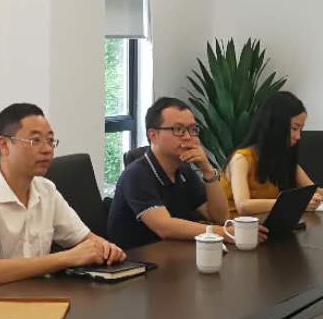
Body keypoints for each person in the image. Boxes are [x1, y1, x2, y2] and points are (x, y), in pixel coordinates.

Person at [0, 103, 126, 298]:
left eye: (50, 140)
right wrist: (69, 257)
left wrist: (107, 249)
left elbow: (86, 240)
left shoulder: (46, 190)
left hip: (30, 297)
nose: (47, 149)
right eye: (35, 141)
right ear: (4, 145)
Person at [107, 97, 257, 250]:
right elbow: (165, 227)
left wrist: (207, 170)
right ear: (153, 135)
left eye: (192, 129)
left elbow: (219, 217)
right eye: (178, 129)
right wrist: (225, 233)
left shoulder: (184, 170)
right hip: (136, 259)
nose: (188, 137)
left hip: (174, 254)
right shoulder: (136, 175)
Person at [222, 91, 323, 216]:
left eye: (300, 130)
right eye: (294, 128)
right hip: (235, 226)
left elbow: (312, 191)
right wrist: (294, 203)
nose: (298, 136)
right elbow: (242, 205)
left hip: (267, 223)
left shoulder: (283, 157)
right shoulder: (241, 159)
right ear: (276, 126)